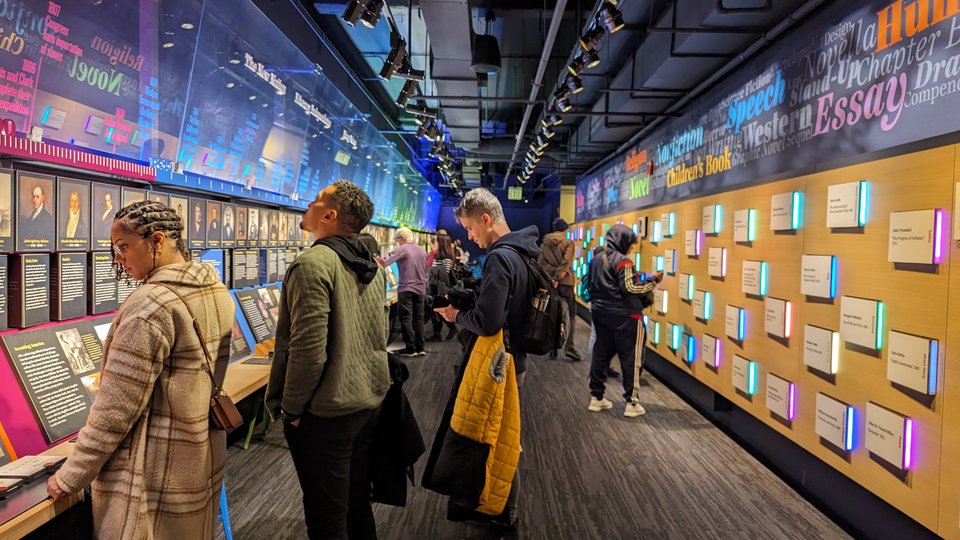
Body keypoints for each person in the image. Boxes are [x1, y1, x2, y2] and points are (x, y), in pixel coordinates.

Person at [47, 200, 235, 538]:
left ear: (157, 240)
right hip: (196, 454)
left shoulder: (150, 305)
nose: (118, 258)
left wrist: (70, 476)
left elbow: (114, 410)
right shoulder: (216, 289)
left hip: (151, 471)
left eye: (124, 247)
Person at [266, 180, 389, 540]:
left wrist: (292, 409)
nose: (308, 203)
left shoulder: (312, 264)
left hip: (326, 413)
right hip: (367, 401)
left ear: (330, 215)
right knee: (355, 502)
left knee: (325, 515)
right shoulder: (373, 267)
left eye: (317, 200)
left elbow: (308, 350)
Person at [588, 224, 661, 418]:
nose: (631, 248)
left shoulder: (596, 259)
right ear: (623, 241)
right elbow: (631, 288)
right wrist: (652, 281)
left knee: (600, 355)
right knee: (631, 359)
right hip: (626, 318)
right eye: (630, 243)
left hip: (600, 314)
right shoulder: (624, 262)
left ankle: (596, 397)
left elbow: (590, 285)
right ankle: (632, 402)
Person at [380, 226, 428, 356]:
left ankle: (410, 348)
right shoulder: (422, 250)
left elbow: (383, 262)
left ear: (402, 238)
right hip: (421, 288)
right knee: (419, 318)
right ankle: (421, 347)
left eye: (397, 239)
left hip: (406, 288)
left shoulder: (402, 249)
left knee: (406, 318)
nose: (397, 242)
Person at [538, 218, 582, 362]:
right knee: (571, 315)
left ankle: (553, 347)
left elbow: (541, 263)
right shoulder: (568, 242)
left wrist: (552, 277)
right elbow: (566, 262)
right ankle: (569, 347)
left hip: (551, 283)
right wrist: (559, 276)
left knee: (553, 315)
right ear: (565, 229)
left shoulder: (544, 244)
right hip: (566, 283)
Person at [427, 234, 457, 341]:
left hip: (441, 289)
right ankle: (442, 331)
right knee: (437, 311)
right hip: (439, 288)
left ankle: (446, 330)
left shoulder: (445, 257)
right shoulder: (445, 255)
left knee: (437, 310)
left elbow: (443, 273)